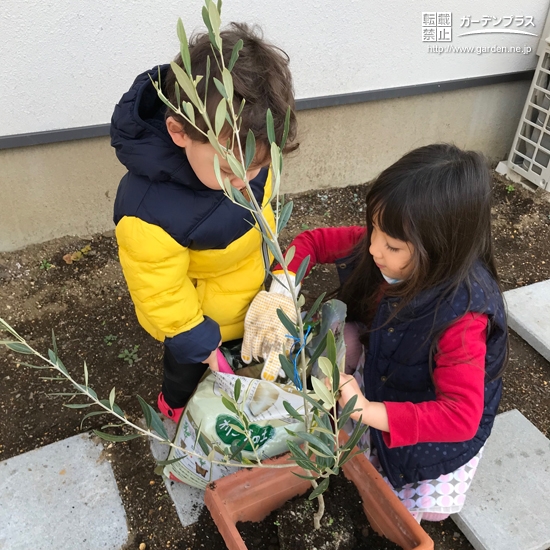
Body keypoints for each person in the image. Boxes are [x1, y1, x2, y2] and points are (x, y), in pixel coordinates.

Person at [245, 143, 508, 522]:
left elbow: (460, 417)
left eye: (391, 245)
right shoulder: (391, 242)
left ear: (441, 249)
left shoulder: (462, 317)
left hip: (428, 427)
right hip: (394, 365)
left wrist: (367, 409)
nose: (373, 249)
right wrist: (281, 293)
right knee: (346, 343)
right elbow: (312, 242)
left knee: (401, 507)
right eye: (374, 230)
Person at [110, 23, 298, 423]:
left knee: (252, 373)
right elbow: (159, 288)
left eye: (259, 166)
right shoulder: (149, 210)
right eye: (231, 171)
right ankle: (177, 414)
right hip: (196, 320)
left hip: (251, 298)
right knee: (189, 379)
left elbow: (263, 218)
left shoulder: (243, 156)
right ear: (179, 132)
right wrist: (197, 340)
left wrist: (278, 276)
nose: (245, 180)